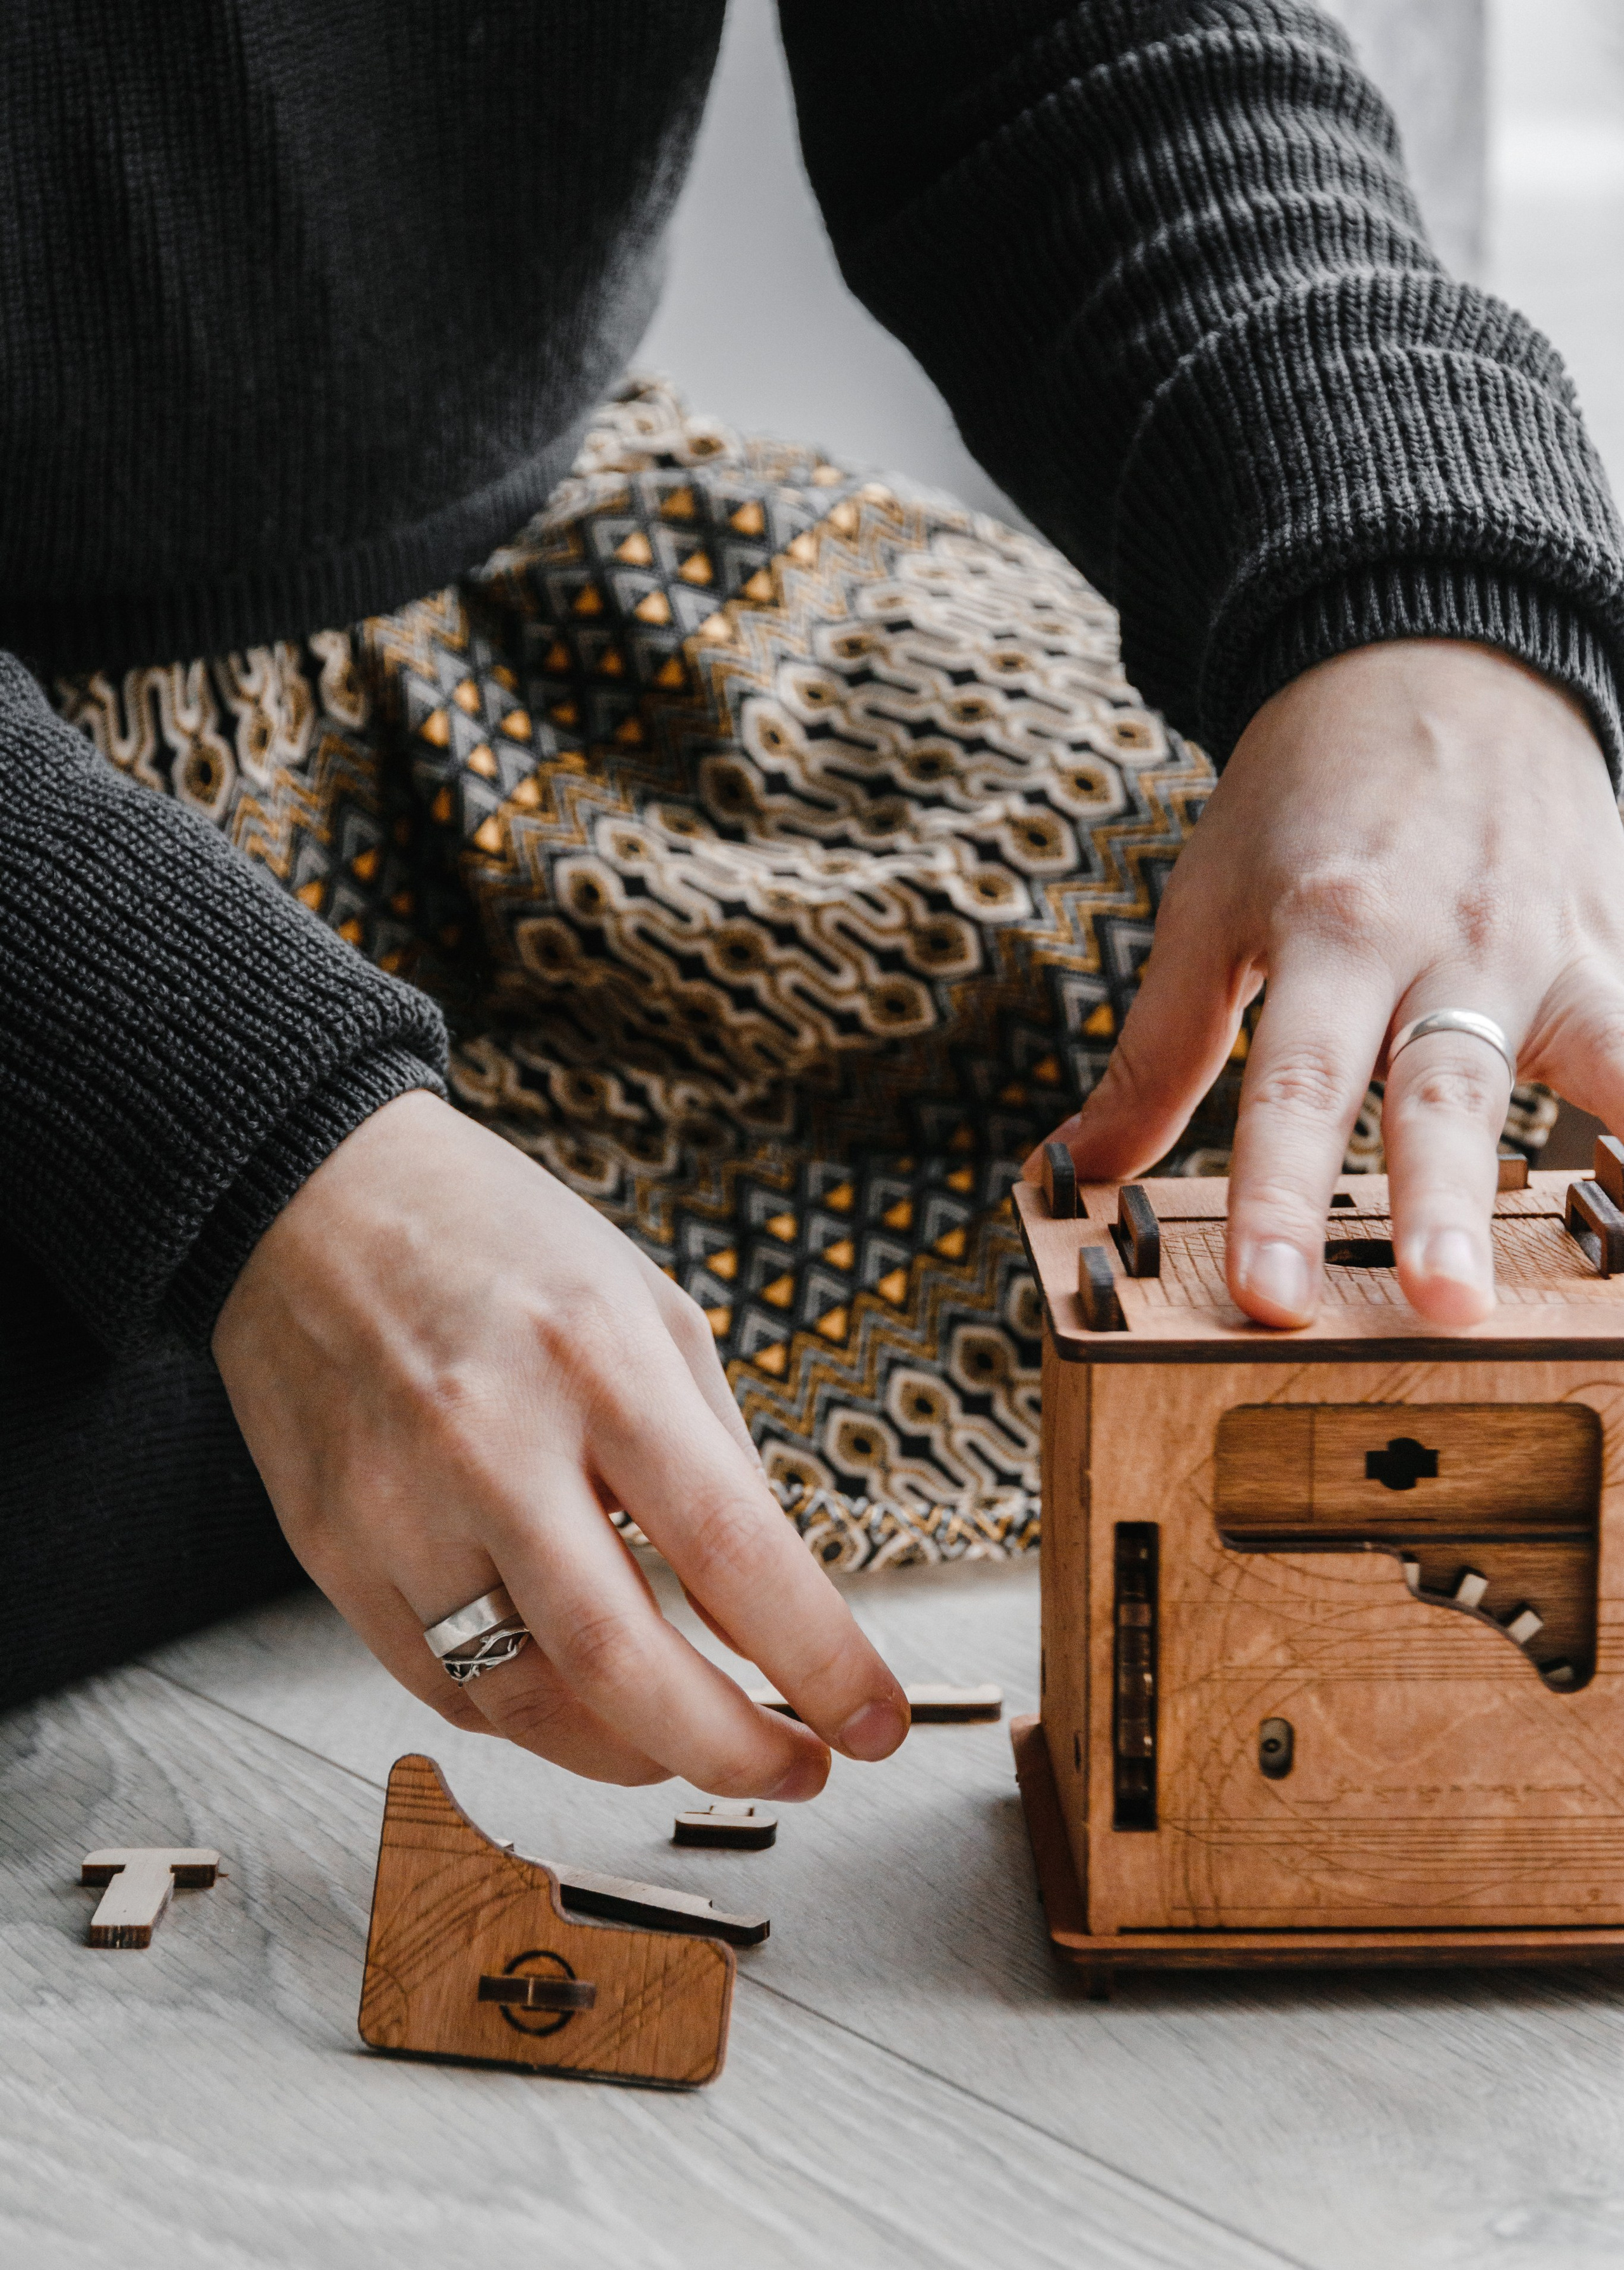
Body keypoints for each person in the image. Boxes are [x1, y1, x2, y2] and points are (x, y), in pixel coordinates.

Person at [4, 3, 1623, 1807]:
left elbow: (1065, 55)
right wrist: (243, 1138)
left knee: (1428, 1049)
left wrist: (1420, 606)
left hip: (557, 668)